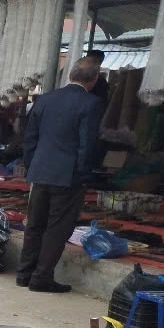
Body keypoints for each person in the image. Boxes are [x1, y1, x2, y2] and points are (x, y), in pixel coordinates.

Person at [19, 57, 104, 294]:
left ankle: (24, 274)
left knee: (35, 224)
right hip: (68, 175)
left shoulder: (45, 99)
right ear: (94, 79)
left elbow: (30, 138)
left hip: (40, 170)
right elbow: (87, 144)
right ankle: (41, 277)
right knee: (57, 228)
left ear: (70, 75)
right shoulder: (91, 104)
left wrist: (31, 165)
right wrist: (83, 174)